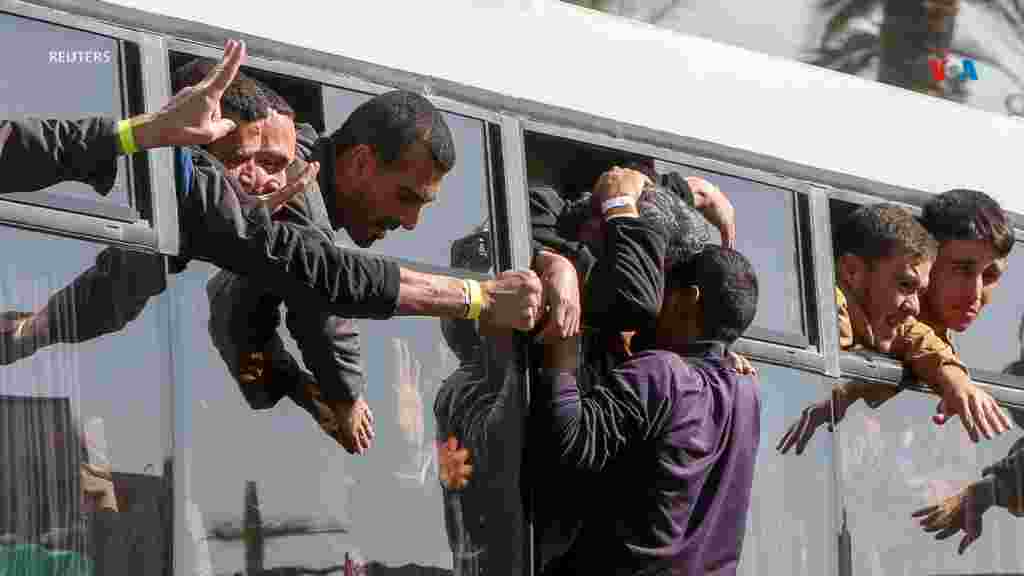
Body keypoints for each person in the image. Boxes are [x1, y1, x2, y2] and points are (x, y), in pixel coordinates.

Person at [0, 41, 542, 449]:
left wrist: (295, 389)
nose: (260, 181)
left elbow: (235, 310)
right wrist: (477, 300)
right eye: (406, 197)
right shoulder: (227, 185)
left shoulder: (255, 196)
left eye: (273, 164)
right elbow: (324, 283)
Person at [534, 239, 761, 575]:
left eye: (663, 291)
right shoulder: (748, 392)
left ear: (689, 297)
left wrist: (564, 332)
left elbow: (566, 442)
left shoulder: (663, 374)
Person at [778, 192, 1015, 454]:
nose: (975, 292)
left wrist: (956, 380)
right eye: (962, 269)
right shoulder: (840, 306)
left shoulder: (921, 336)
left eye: (991, 275)